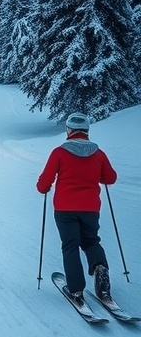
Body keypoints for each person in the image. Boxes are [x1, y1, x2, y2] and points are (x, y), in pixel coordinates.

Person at [36, 112, 117, 306]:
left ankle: (76, 290)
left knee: (70, 245)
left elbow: (43, 184)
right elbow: (110, 178)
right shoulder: (98, 154)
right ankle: (99, 268)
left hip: (64, 209)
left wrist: (44, 187)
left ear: (69, 130)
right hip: (90, 208)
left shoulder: (59, 152)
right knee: (91, 240)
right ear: (87, 131)